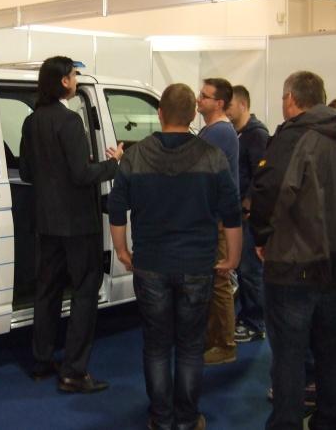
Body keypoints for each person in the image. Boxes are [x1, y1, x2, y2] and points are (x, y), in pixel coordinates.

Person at [108, 83, 241, 430]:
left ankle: (161, 418)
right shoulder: (212, 157)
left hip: (150, 264)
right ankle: (186, 419)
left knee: (156, 346)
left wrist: (122, 250)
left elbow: (117, 209)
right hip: (197, 265)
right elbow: (232, 214)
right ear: (193, 113)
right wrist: (233, 258)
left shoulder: (135, 156)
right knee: (190, 346)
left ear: (160, 114)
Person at [250, 71, 336, 430]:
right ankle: (330, 420)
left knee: (289, 353)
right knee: (331, 348)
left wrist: (261, 237)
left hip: (294, 263)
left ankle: (286, 422)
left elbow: (268, 191)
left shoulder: (293, 137)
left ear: (291, 99)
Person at [19, 55, 123, 393]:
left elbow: (27, 172)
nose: (76, 80)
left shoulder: (32, 121)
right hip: (78, 222)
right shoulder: (69, 121)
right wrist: (114, 165)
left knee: (47, 291)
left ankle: (41, 360)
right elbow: (81, 174)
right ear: (64, 81)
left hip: (45, 222)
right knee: (85, 291)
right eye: (74, 75)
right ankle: (74, 371)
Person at [196, 78, 240, 365]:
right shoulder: (210, 131)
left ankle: (224, 344)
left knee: (219, 281)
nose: (198, 99)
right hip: (210, 217)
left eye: (204, 96)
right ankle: (213, 338)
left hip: (217, 220)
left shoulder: (220, 133)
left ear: (219, 103)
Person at [225, 85, 269, 343]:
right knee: (242, 269)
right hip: (237, 213)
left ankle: (256, 322)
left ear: (243, 104)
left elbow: (261, 175)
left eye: (229, 105)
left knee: (251, 270)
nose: (226, 109)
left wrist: (248, 206)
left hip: (249, 216)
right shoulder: (236, 134)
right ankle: (248, 317)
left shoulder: (257, 135)